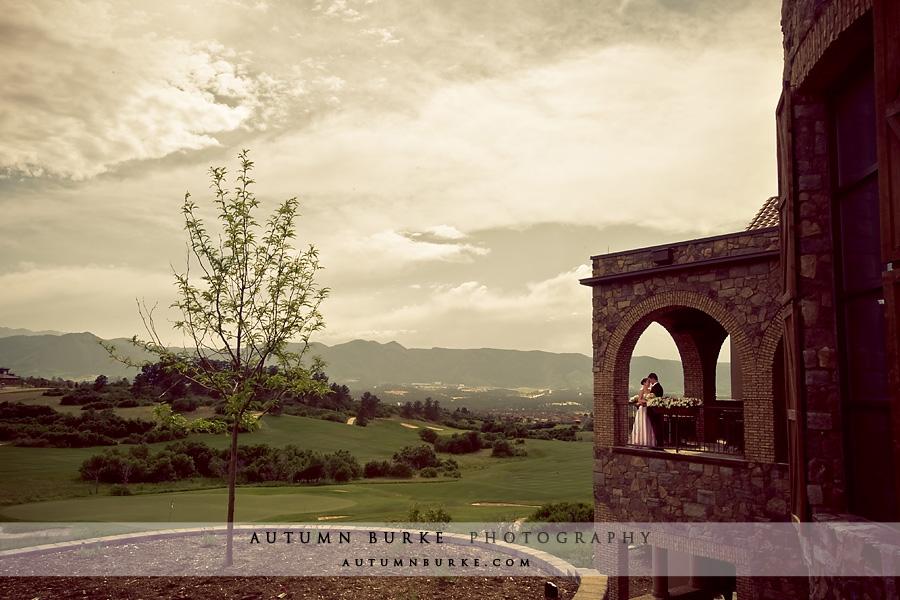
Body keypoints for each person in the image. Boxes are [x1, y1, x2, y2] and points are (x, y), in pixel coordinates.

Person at [629, 378, 656, 447]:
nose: (649, 383)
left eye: (649, 382)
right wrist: (646, 401)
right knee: (642, 424)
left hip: (648, 409)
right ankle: (640, 441)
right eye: (648, 382)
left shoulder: (650, 390)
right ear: (644, 383)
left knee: (647, 424)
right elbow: (639, 400)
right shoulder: (641, 390)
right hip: (642, 409)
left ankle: (647, 441)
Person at [646, 373, 664, 447]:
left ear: (653, 378)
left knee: (656, 428)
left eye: (650, 379)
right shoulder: (656, 386)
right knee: (655, 427)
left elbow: (654, 398)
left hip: (655, 411)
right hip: (654, 411)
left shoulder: (657, 387)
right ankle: (657, 443)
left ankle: (659, 444)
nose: (649, 381)